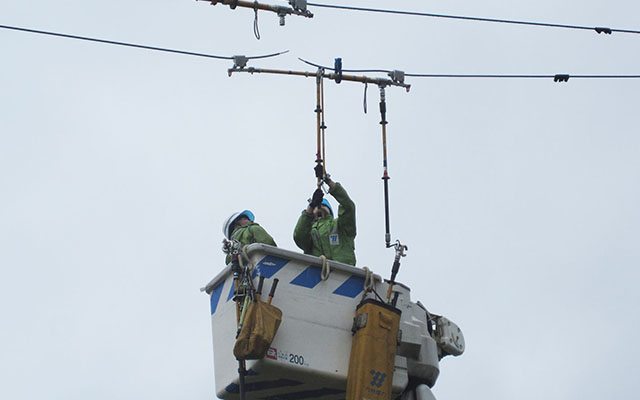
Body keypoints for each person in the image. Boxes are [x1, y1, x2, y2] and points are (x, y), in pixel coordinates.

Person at [293, 175, 356, 265]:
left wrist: (330, 183)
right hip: (317, 275)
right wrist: (310, 208)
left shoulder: (340, 225)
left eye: (324, 205)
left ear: (330, 211)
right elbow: (299, 236)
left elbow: (348, 207)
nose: (320, 206)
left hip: (343, 273)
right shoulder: (309, 233)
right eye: (316, 205)